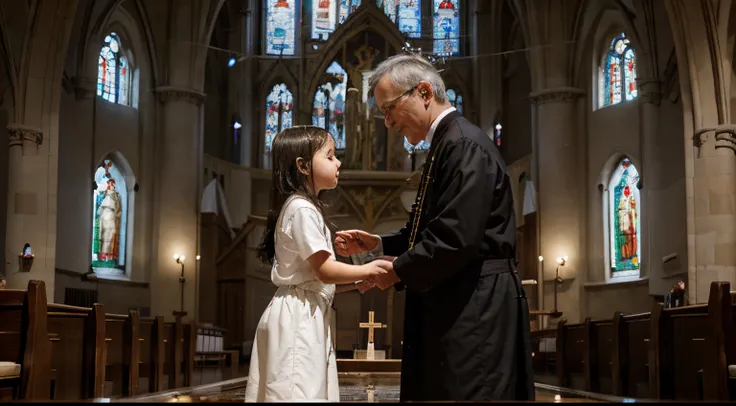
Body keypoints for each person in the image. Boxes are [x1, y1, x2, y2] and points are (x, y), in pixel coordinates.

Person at [334, 54, 535, 401]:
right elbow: (429, 230)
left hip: (476, 308)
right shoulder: (447, 143)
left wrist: (395, 271)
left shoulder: (463, 145)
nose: (387, 123)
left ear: (424, 92)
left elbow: (456, 238)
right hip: (460, 299)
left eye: (389, 109)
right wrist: (378, 245)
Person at [243, 126, 391, 402]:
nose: (339, 162)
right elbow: (325, 270)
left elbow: (313, 279)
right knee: (297, 393)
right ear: (303, 166)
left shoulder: (302, 207)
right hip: (298, 319)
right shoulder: (301, 208)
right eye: (331, 156)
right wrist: (368, 268)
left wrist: (354, 283)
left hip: (303, 312)